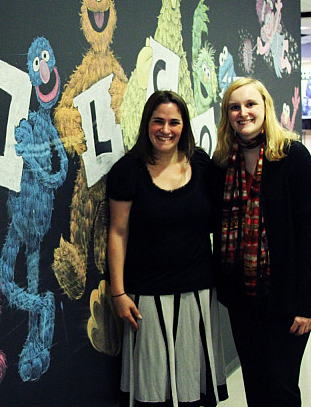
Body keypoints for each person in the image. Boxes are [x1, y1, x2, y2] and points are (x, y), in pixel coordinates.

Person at [108, 90, 228, 406]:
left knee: (193, 391)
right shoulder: (127, 170)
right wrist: (118, 293)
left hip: (198, 295)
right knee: (153, 392)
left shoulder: (201, 164)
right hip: (145, 299)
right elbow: (118, 233)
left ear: (184, 126)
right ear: (147, 124)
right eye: (158, 121)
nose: (166, 129)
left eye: (174, 122)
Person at [212, 77, 311, 406]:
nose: (243, 113)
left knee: (282, 387)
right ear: (227, 115)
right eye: (235, 107)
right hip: (242, 300)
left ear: (265, 109)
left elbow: (308, 237)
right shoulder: (221, 164)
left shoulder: (292, 157)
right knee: (256, 386)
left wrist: (307, 304)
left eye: (250, 105)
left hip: (285, 300)